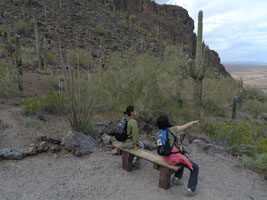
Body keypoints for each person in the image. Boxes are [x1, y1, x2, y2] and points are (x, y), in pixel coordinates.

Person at [157, 115, 199, 196]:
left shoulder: (159, 133)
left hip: (165, 157)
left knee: (182, 157)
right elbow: (184, 126)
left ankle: (176, 179)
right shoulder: (172, 129)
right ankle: (191, 190)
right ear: (167, 122)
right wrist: (193, 122)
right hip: (173, 158)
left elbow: (161, 147)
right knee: (195, 167)